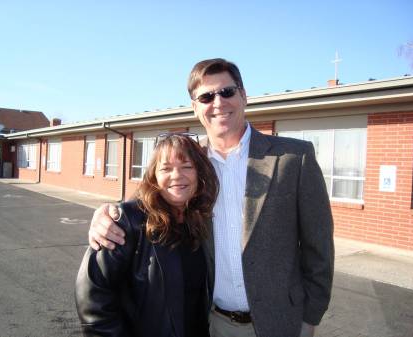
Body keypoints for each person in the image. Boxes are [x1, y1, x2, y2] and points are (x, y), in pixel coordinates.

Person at [87, 58, 335, 337]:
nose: (218, 103)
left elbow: (319, 248)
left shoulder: (294, 158)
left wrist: (309, 319)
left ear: (243, 96)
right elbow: (151, 198)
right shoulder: (190, 163)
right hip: (212, 324)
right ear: (195, 107)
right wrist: (108, 213)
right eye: (206, 96)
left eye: (227, 92)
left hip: (282, 323)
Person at [75, 133, 219, 337]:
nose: (177, 175)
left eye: (187, 167)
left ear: (199, 174)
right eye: (166, 168)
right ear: (154, 177)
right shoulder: (129, 219)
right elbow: (93, 292)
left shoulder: (199, 220)